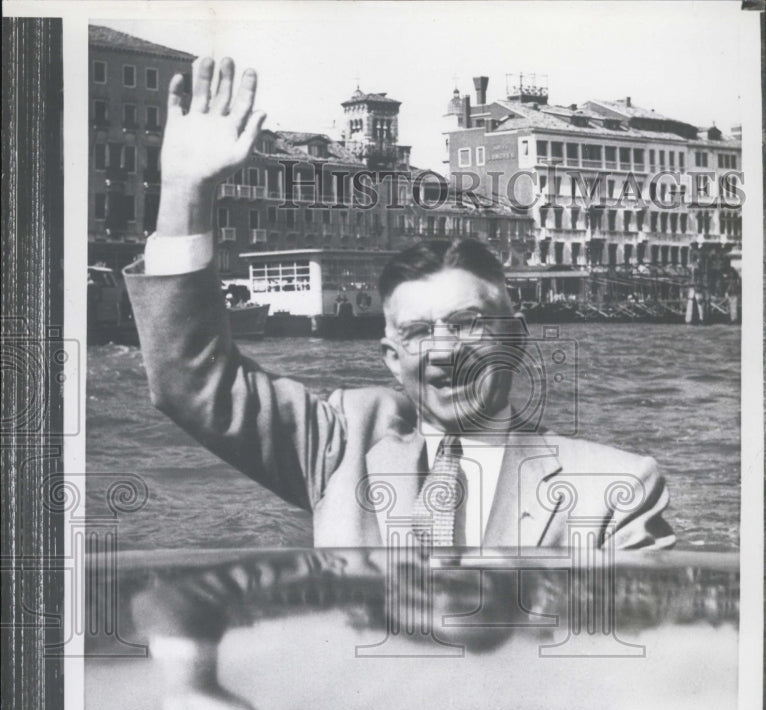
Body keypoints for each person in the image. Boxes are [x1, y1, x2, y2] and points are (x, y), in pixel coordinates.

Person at [124, 57, 675, 550]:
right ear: (390, 357)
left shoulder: (615, 492)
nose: (441, 352)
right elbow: (188, 382)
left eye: (465, 324)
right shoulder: (341, 443)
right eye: (415, 333)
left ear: (515, 337)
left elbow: (625, 653)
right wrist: (184, 193)